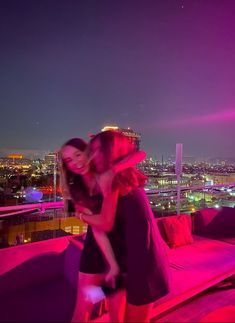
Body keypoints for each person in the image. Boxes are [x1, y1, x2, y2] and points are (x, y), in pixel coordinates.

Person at [76, 130, 171, 323]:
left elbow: (105, 222)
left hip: (142, 265)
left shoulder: (114, 181)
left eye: (98, 151)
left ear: (111, 152)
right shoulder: (122, 178)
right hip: (138, 259)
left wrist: (82, 216)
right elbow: (138, 154)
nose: (93, 156)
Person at [59, 136, 146, 322]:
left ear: (88, 153)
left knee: (117, 313)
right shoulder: (77, 188)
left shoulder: (105, 172)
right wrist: (112, 263)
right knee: (83, 305)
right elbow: (98, 228)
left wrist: (113, 170)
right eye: (68, 160)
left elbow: (140, 154)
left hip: (121, 246)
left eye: (78, 154)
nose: (75, 162)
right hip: (98, 247)